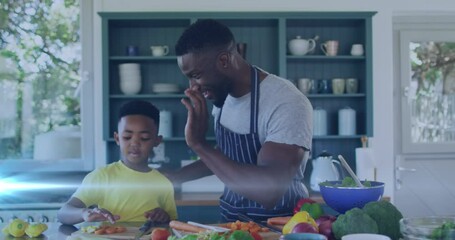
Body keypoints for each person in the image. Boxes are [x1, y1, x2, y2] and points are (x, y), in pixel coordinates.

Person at [170, 19, 313, 222]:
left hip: (281, 230)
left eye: (196, 75)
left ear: (224, 61)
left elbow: (268, 192)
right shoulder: (222, 96)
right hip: (232, 226)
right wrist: (174, 177)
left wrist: (199, 144)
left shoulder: (286, 102)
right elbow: (225, 157)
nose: (193, 87)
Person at [57, 100, 177, 225]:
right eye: (127, 137)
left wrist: (165, 217)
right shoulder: (102, 176)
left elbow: (173, 224)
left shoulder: (163, 183)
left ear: (157, 141)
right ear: (117, 138)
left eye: (144, 138)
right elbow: (63, 213)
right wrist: (84, 213)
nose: (135, 143)